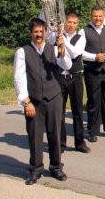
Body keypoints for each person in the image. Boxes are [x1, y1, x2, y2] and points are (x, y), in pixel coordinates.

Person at [13, 18, 72, 185]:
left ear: (46, 32)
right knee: (34, 136)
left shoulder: (54, 49)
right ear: (31, 33)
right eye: (35, 32)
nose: (39, 35)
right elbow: (19, 78)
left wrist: (63, 47)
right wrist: (26, 102)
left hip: (54, 97)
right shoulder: (22, 52)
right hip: (34, 100)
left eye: (41, 31)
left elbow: (66, 65)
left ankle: (56, 167)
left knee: (55, 134)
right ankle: (35, 169)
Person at [48, 11, 90, 154]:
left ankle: (80, 142)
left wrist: (63, 41)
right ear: (64, 23)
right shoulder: (55, 36)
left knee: (77, 111)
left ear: (77, 24)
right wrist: (59, 37)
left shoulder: (80, 38)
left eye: (74, 23)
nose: (71, 25)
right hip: (59, 78)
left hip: (76, 78)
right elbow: (45, 25)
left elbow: (74, 53)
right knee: (59, 112)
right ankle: (61, 143)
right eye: (69, 22)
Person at [80, 5, 105, 141]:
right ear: (91, 16)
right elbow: (80, 52)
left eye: (100, 16)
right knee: (93, 101)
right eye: (95, 16)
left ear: (104, 16)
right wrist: (94, 57)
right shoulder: (83, 31)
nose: (98, 18)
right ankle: (92, 130)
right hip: (92, 71)